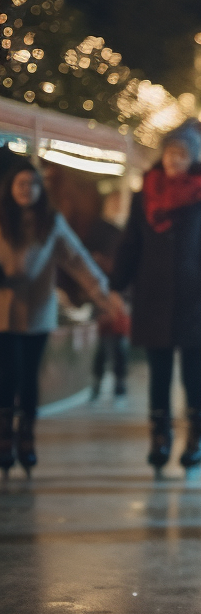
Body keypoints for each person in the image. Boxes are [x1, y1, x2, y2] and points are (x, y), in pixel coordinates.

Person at [113, 120, 201, 476]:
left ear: (191, 158)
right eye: (170, 153)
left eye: (181, 154)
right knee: (159, 372)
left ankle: (197, 436)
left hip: (193, 297)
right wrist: (117, 282)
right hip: (153, 296)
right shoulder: (143, 195)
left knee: (193, 373)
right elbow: (131, 242)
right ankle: (159, 436)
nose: (174, 160)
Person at [0, 157, 123, 479]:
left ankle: (26, 434)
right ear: (10, 189)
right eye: (21, 184)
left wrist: (103, 295)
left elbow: (78, 260)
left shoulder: (51, 223)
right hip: (2, 312)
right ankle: (4, 435)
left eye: (33, 184)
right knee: (7, 374)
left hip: (37, 313)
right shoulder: (2, 220)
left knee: (29, 377)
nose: (27, 190)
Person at [84, 214, 128, 402]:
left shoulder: (117, 266)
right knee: (102, 350)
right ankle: (99, 384)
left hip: (118, 312)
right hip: (103, 311)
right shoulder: (99, 267)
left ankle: (118, 384)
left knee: (117, 348)